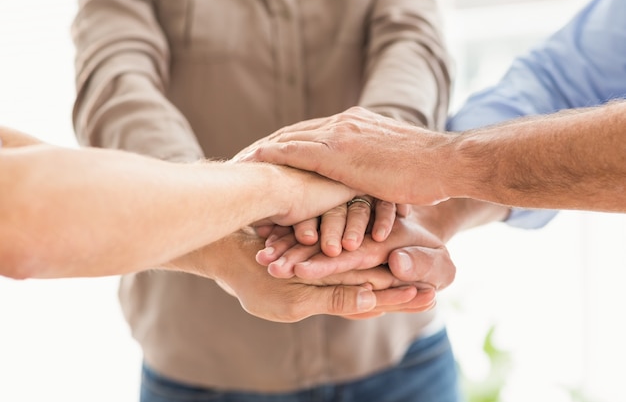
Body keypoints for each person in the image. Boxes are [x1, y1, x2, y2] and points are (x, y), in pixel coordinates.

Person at [71, 0, 469, 401]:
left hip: (396, 352)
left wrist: (376, 162)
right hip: (205, 365)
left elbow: (413, 47)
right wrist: (214, 217)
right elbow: (116, 85)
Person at [243, 0, 626, 219]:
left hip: (405, 338)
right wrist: (432, 208)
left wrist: (433, 161)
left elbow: (412, 42)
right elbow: (558, 83)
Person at [0, 125, 438, 322]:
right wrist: (277, 186)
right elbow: (22, 209)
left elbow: (13, 159)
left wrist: (372, 168)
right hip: (197, 355)